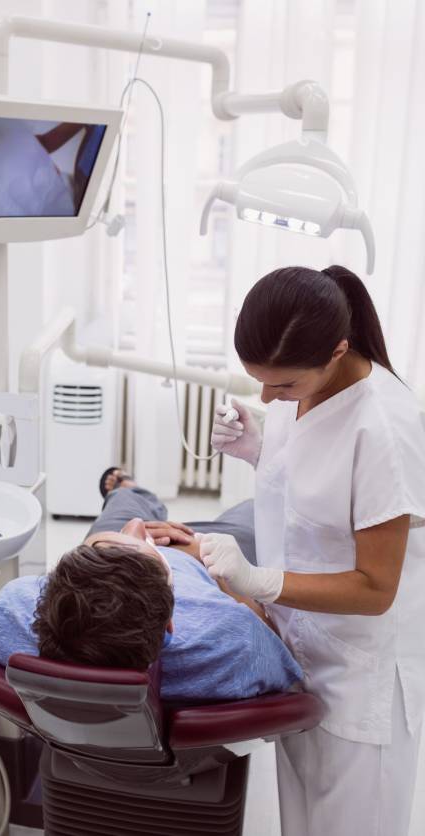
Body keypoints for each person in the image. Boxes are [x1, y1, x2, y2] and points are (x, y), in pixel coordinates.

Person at [205, 264, 425, 836]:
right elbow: (313, 495)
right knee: (299, 821)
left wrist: (259, 582)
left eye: (282, 385)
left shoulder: (384, 428)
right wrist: (261, 449)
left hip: (361, 674)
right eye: (258, 381)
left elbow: (377, 589)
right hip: (301, 655)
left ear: (338, 350)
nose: (266, 395)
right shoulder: (303, 392)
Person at [0, 471, 302, 703]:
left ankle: (129, 490)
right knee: (255, 509)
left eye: (107, 546)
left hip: (95, 572)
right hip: (202, 555)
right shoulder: (233, 641)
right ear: (169, 622)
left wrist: (100, 557)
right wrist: (226, 575)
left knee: (125, 503)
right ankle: (130, 499)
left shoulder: (11, 610)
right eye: (145, 546)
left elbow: (54, 591)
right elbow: (283, 649)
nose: (136, 528)